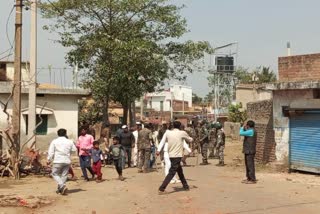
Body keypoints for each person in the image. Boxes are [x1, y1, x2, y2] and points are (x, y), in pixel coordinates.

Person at [157, 121, 193, 194]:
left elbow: (162, 142)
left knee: (179, 171)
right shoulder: (182, 133)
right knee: (172, 172)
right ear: (180, 126)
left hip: (170, 154)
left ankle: (186, 186)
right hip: (177, 155)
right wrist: (191, 138)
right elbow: (190, 139)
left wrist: (158, 150)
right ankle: (162, 188)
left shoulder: (167, 132)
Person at [47, 128, 77, 195]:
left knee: (54, 174)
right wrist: (68, 152)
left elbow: (51, 151)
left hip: (58, 160)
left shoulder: (54, 141)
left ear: (58, 134)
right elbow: (74, 150)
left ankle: (62, 186)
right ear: (65, 134)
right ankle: (61, 189)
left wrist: (49, 159)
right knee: (64, 175)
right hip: (66, 160)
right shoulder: (69, 141)